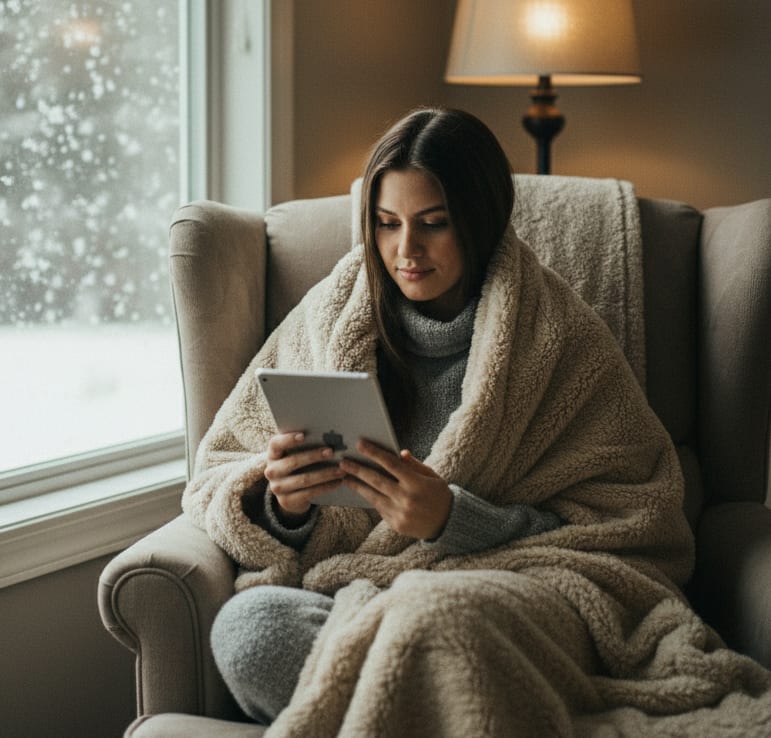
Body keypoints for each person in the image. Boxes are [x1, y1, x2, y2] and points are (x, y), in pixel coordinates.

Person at [182, 108, 771, 736]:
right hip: (363, 587)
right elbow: (222, 466)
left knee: (439, 616)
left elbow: (635, 523)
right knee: (250, 631)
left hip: (526, 584)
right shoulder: (329, 313)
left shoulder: (558, 337)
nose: (405, 250)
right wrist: (286, 506)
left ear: (479, 219)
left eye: (433, 224)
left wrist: (452, 519)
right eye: (386, 224)